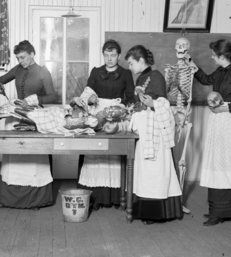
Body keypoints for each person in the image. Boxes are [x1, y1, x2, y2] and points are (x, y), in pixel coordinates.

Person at [188, 39, 231, 226]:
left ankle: (228, 211)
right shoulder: (220, 72)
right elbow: (206, 80)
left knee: (227, 163)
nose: (211, 56)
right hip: (218, 121)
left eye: (213, 54)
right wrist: (190, 62)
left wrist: (227, 108)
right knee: (217, 162)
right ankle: (217, 210)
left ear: (222, 56)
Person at [0, 40, 57, 210]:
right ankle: (8, 199)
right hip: (16, 117)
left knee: (32, 158)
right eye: (18, 58)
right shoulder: (18, 69)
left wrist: (34, 100)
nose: (20, 61)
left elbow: (52, 97)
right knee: (13, 157)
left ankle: (35, 200)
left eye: (22, 57)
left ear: (32, 54)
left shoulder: (43, 71)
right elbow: (0, 79)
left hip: (34, 117)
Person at [125, 45, 183, 225]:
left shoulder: (156, 76)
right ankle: (144, 210)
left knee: (155, 170)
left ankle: (157, 213)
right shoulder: (140, 79)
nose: (129, 67)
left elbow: (163, 103)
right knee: (145, 170)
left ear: (141, 61)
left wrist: (152, 103)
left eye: (131, 63)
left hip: (155, 131)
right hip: (144, 129)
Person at [76, 40, 135, 210]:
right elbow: (86, 94)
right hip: (97, 115)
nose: (109, 59)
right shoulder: (96, 72)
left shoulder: (125, 74)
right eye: (107, 55)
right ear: (103, 55)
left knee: (114, 153)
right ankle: (95, 197)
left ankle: (116, 198)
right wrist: (92, 99)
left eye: (113, 55)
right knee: (96, 152)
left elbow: (131, 98)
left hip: (116, 115)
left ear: (119, 56)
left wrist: (120, 107)